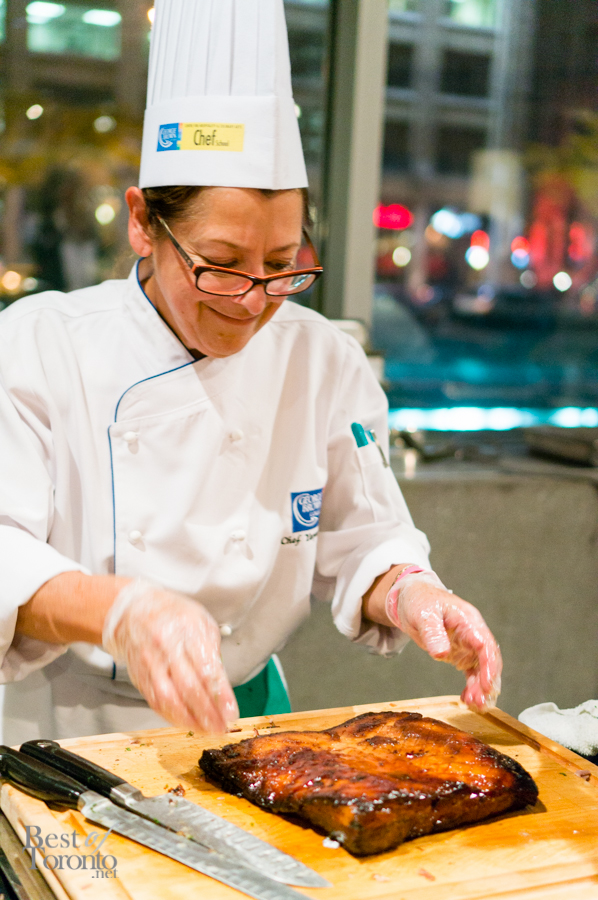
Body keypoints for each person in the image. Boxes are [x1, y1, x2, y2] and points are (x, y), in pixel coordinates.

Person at [0, 0, 501, 743]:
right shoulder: (39, 346)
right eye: (222, 264)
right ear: (142, 223)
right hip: (63, 727)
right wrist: (122, 610)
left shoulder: (321, 359)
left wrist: (414, 594)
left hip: (250, 721)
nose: (253, 300)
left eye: (281, 265)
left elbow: (364, 533)